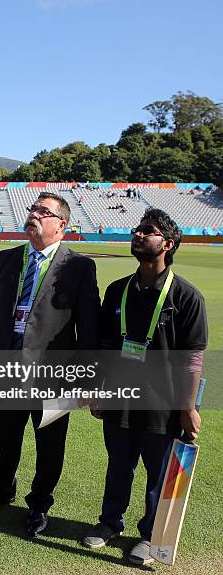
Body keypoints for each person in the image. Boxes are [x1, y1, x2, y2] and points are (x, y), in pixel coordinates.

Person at [0, 191, 100, 536]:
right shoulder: (7, 258)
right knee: (5, 437)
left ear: (61, 225)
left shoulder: (79, 267)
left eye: (43, 211)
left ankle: (40, 504)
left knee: (50, 445)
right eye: (33, 209)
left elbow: (89, 328)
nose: (34, 214)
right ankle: (0, 491)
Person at [83, 208, 207, 566]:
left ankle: (151, 536)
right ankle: (109, 523)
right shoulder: (118, 290)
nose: (138, 235)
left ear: (167, 244)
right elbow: (105, 345)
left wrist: (187, 407)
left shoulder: (185, 296)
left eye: (148, 231)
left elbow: (192, 358)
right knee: (119, 463)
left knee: (159, 472)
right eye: (137, 229)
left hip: (162, 403)